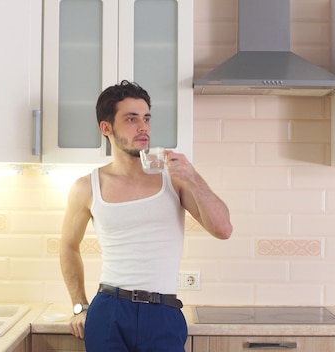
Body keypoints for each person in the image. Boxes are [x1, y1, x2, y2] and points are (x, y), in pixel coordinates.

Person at [60, 80, 232, 351]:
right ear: (107, 128)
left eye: (146, 118)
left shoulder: (174, 179)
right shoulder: (86, 187)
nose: (143, 127)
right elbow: (68, 247)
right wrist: (79, 306)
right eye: (131, 119)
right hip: (108, 310)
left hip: (162, 312)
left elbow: (223, 229)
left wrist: (194, 177)